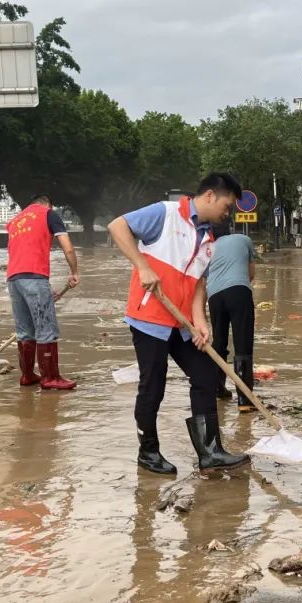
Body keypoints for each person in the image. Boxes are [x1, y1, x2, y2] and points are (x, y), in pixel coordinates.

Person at [107, 173, 250, 475]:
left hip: (181, 323)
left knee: (206, 376)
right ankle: (148, 452)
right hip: (149, 319)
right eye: (227, 205)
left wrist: (200, 322)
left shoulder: (209, 240)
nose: (229, 212)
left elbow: (197, 284)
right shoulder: (165, 213)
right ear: (210, 196)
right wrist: (142, 266)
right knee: (153, 386)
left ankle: (210, 452)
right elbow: (117, 226)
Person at [6, 194, 79, 390]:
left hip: (13, 279)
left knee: (24, 331)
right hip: (34, 277)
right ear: (48, 203)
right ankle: (50, 378)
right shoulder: (49, 214)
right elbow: (68, 247)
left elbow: (22, 250)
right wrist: (74, 271)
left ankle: (27, 376)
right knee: (46, 329)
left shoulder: (15, 220)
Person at [206, 223, 257, 412]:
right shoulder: (244, 240)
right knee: (243, 344)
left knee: (219, 342)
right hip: (239, 292)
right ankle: (244, 399)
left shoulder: (208, 248)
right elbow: (251, 274)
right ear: (230, 230)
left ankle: (218, 388)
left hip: (214, 296)